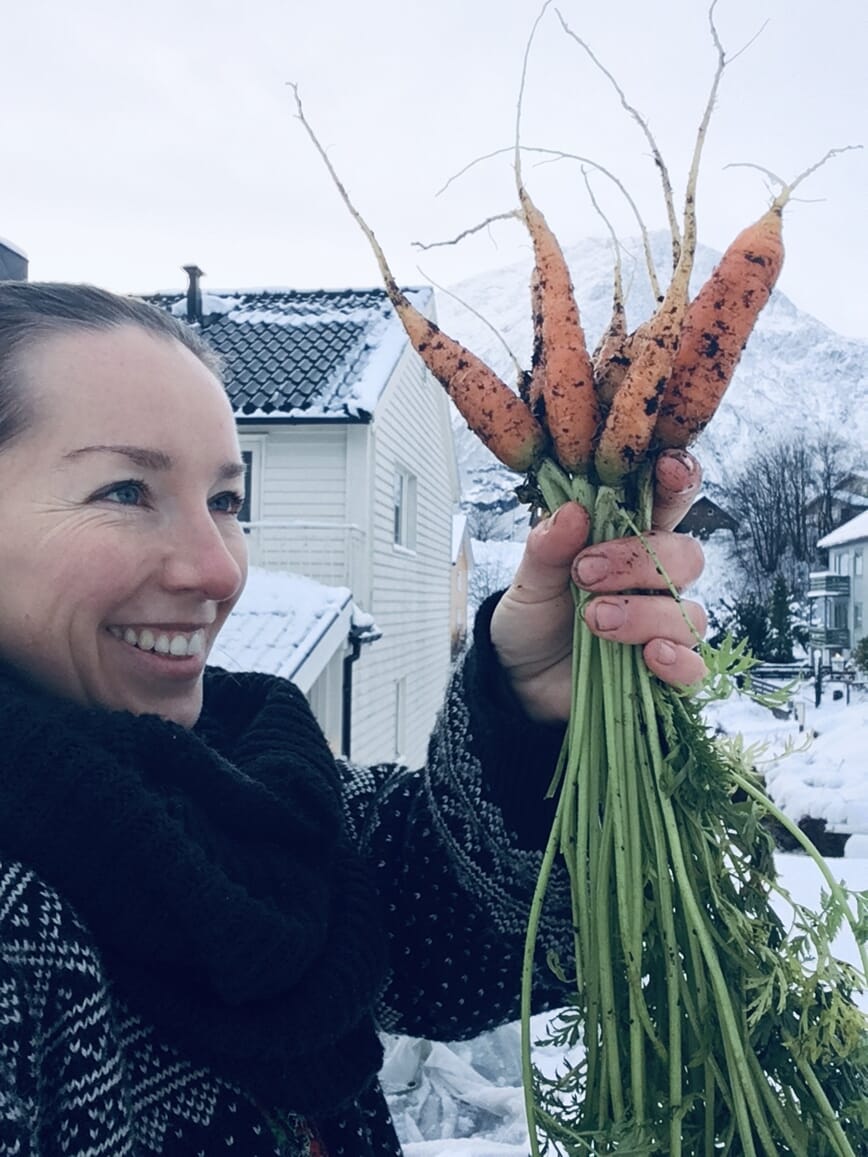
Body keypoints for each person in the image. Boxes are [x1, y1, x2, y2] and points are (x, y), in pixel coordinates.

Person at [0, 281, 706, 1156]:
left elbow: (458, 932)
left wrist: (531, 702)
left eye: (226, 500)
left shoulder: (246, 787)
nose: (218, 571)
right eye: (124, 491)